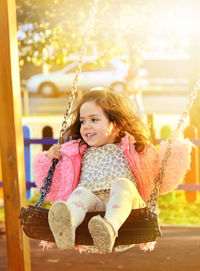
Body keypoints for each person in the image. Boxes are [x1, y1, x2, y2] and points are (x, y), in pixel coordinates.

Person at [33, 88, 193, 253]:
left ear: (116, 123)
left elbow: (162, 178)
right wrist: (50, 158)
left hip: (128, 212)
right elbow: (56, 183)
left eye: (94, 119)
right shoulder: (76, 152)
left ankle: (108, 229)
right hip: (92, 213)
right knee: (80, 193)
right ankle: (67, 228)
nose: (86, 126)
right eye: (83, 121)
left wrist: (174, 150)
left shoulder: (137, 149)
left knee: (122, 185)